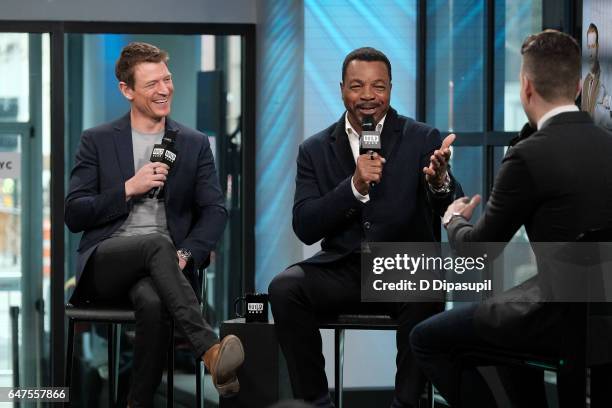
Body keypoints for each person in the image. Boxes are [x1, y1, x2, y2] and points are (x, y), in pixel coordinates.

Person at [410, 30, 612, 407]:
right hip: (605, 319)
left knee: (427, 339)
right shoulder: (607, 143)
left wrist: (453, 218)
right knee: (504, 318)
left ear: (526, 86)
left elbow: (479, 253)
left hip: (559, 319)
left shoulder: (529, 156)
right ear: (577, 85)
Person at [268, 47, 462, 408]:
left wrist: (439, 181)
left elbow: (451, 205)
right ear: (342, 88)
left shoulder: (422, 137)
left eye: (379, 86)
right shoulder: (314, 149)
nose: (369, 96)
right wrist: (354, 187)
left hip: (403, 269)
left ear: (390, 88)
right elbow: (305, 226)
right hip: (343, 268)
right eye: (358, 86)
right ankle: (314, 402)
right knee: (284, 289)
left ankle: (407, 403)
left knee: (426, 287)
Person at [65, 42, 244, 407]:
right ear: (126, 90)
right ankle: (210, 349)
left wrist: (187, 254)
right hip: (108, 263)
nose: (164, 90)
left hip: (165, 270)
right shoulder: (97, 140)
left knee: (151, 299)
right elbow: (75, 213)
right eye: (152, 84)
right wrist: (129, 188)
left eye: (167, 79)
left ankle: (137, 403)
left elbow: (214, 210)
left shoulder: (193, 144)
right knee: (154, 244)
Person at [582, 22, 612, 129]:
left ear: (597, 48)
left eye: (593, 46)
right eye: (589, 46)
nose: (590, 51)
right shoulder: (586, 82)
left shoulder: (608, 76)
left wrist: (609, 102)